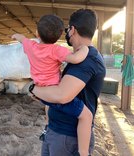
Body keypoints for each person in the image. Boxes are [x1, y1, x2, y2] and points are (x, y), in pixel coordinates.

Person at [12, 14, 93, 156]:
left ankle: (47, 127)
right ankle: (84, 152)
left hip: (40, 92)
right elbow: (75, 59)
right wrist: (85, 49)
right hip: (54, 93)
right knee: (86, 116)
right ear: (60, 35)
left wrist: (16, 36)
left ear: (37, 33)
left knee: (48, 106)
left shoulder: (31, 46)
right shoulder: (56, 50)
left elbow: (22, 39)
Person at [30, 9, 106, 156]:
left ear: (72, 30)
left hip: (68, 137)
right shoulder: (78, 56)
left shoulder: (88, 58)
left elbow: (61, 95)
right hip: (56, 130)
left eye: (67, 29)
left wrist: (33, 88)